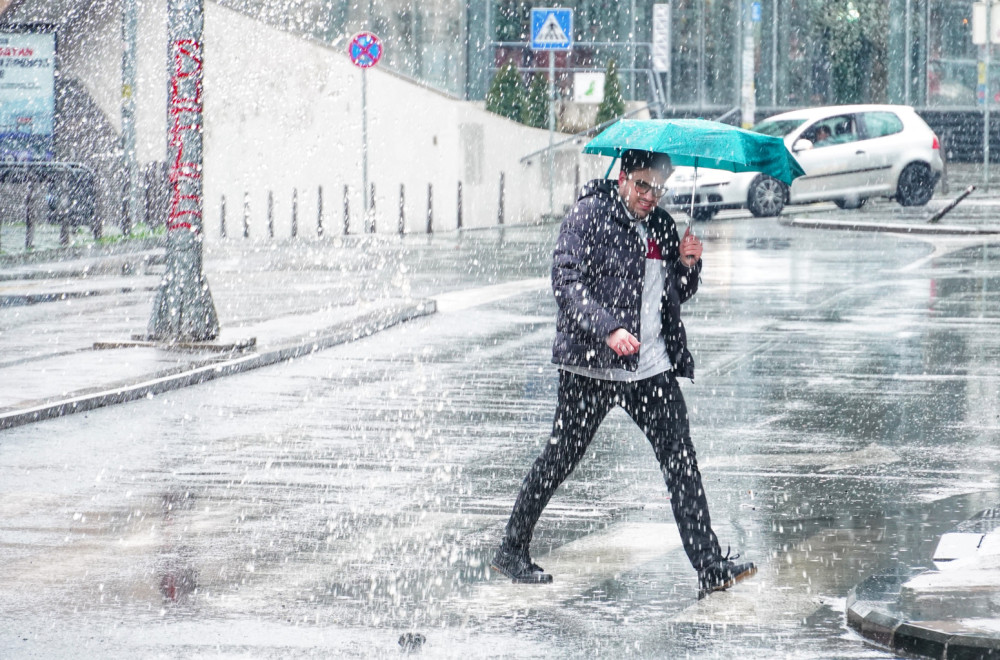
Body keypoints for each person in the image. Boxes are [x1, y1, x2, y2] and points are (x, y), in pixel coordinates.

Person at [490, 149, 756, 598]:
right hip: (591, 368)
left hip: (650, 369)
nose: (651, 196)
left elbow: (672, 294)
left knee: (681, 461)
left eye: (658, 188)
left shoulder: (663, 227)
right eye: (642, 186)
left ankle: (709, 565)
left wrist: (689, 266)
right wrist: (608, 329)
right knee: (559, 459)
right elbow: (566, 283)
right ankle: (511, 549)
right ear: (622, 179)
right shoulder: (588, 217)